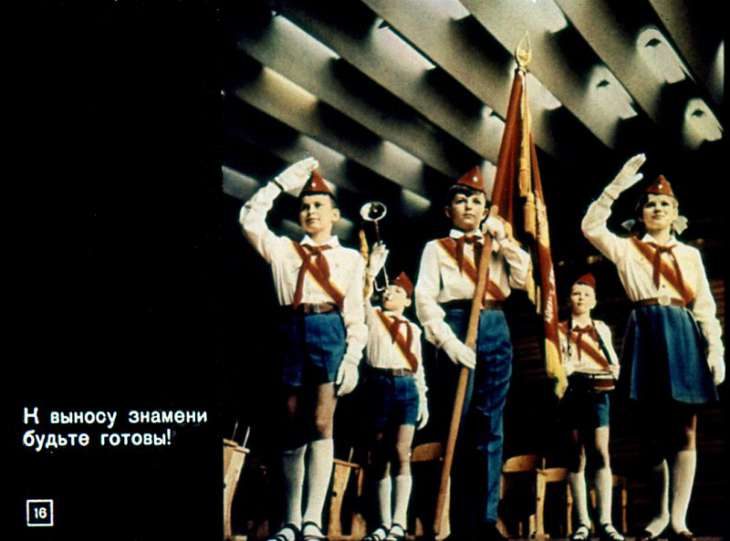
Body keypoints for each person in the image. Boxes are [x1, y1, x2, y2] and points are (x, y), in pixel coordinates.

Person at [581, 154, 725, 541]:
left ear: (675, 213)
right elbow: (590, 226)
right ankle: (659, 514)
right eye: (649, 204)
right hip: (645, 331)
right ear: (640, 214)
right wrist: (615, 187)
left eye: (664, 204)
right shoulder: (626, 249)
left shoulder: (690, 255)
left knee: (686, 429)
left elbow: (704, 305)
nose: (657, 208)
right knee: (650, 433)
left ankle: (679, 519)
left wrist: (715, 349)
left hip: (682, 332)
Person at [239, 157, 367, 541]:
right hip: (291, 331)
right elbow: (249, 219)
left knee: (322, 422)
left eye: (319, 206)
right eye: (305, 206)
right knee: (292, 423)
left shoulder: (350, 258)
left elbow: (355, 313)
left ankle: (313, 519)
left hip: (330, 331)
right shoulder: (283, 250)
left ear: (335, 215)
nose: (311, 212)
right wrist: (281, 183)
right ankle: (291, 521)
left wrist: (353, 357)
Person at [414, 166, 531, 541]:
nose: (469, 206)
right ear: (448, 210)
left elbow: (521, 279)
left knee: (490, 424)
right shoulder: (435, 248)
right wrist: (447, 341)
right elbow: (424, 298)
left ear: (485, 209)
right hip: (456, 322)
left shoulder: (497, 245)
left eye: (476, 200)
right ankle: (454, 521)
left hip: (495, 323)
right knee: (457, 425)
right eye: (461, 200)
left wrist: (505, 240)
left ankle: (485, 519)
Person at [360, 243, 429, 541]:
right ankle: (382, 524)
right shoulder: (372, 315)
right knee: (379, 454)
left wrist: (423, 398)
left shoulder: (414, 330)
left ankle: (399, 524)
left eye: (397, 291)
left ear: (408, 301)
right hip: (378, 385)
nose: (389, 293)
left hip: (407, 387)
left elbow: (419, 366)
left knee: (402, 452)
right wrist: (372, 270)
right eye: (387, 290)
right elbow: (360, 296)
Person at [558, 273, 623, 541]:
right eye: (576, 294)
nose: (581, 298)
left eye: (586, 295)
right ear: (569, 299)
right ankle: (583, 523)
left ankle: (606, 522)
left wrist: (614, 371)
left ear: (594, 301)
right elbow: (559, 363)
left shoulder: (601, 328)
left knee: (601, 452)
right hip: (573, 391)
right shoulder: (560, 330)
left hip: (598, 390)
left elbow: (612, 359)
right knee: (576, 455)